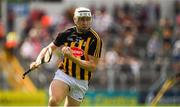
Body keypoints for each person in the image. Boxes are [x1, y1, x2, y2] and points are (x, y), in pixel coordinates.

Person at [30, 7, 102, 106]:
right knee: (53, 101)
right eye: (82, 19)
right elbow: (49, 48)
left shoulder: (95, 39)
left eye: (87, 19)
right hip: (64, 75)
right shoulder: (67, 33)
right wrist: (37, 61)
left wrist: (72, 57)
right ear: (75, 20)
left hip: (81, 81)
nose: (85, 22)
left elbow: (92, 66)